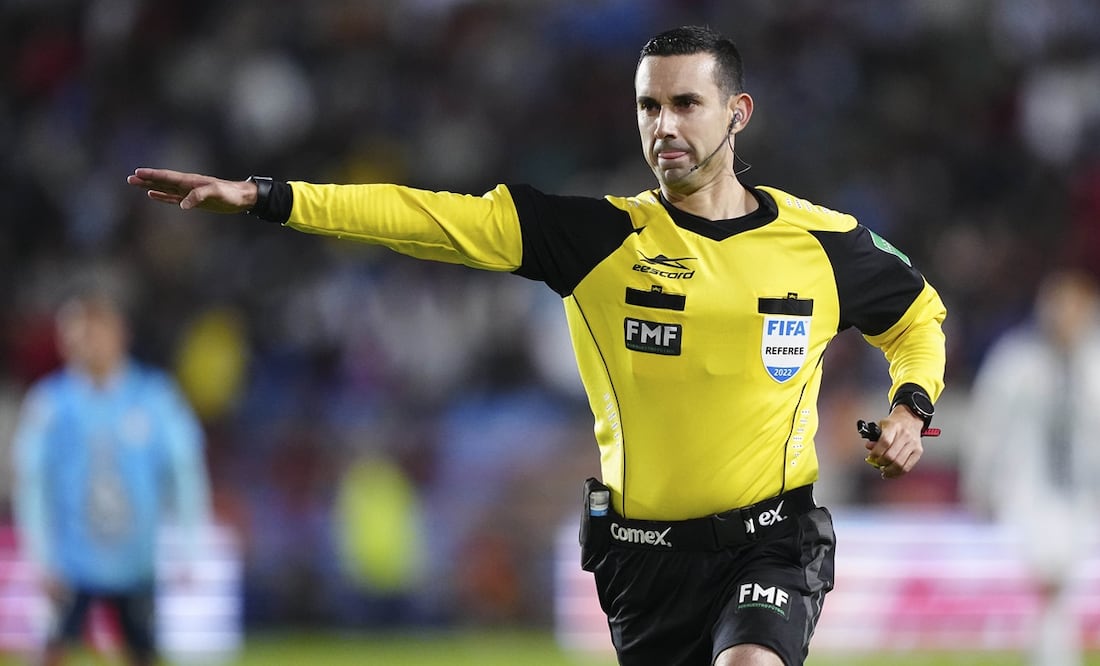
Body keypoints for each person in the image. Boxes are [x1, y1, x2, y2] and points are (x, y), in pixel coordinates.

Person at [127, 25, 946, 666]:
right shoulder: (596, 236)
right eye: (648, 107)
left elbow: (917, 318)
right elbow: (426, 218)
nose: (663, 127)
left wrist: (911, 405)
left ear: (738, 112)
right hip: (643, 559)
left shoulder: (823, 244)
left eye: (686, 105)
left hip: (774, 537)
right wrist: (271, 197)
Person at [11, 287, 212, 666]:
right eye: (72, 334)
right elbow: (31, 483)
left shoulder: (155, 398)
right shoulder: (50, 403)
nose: (82, 343)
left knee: (143, 653)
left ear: (119, 333)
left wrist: (189, 545)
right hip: (70, 563)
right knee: (49, 652)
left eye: (91, 332)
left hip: (134, 562)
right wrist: (40, 557)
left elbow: (186, 472)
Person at [964, 269, 1100, 666]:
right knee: (1045, 581)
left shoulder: (1094, 365)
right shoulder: (1016, 361)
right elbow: (985, 424)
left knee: (1063, 587)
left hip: (1085, 492)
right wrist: (980, 482)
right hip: (1030, 491)